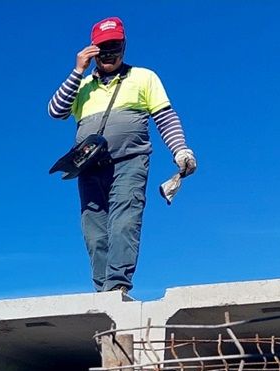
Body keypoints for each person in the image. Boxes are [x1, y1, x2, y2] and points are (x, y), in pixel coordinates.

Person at [47, 15, 197, 298]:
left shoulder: (144, 77)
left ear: (124, 46)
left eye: (114, 46)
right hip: (89, 166)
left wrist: (180, 150)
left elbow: (165, 117)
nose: (109, 53)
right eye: (103, 47)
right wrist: (77, 70)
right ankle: (102, 290)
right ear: (92, 50)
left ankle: (117, 286)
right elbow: (56, 111)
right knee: (94, 231)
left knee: (124, 221)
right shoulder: (82, 85)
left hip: (130, 160)